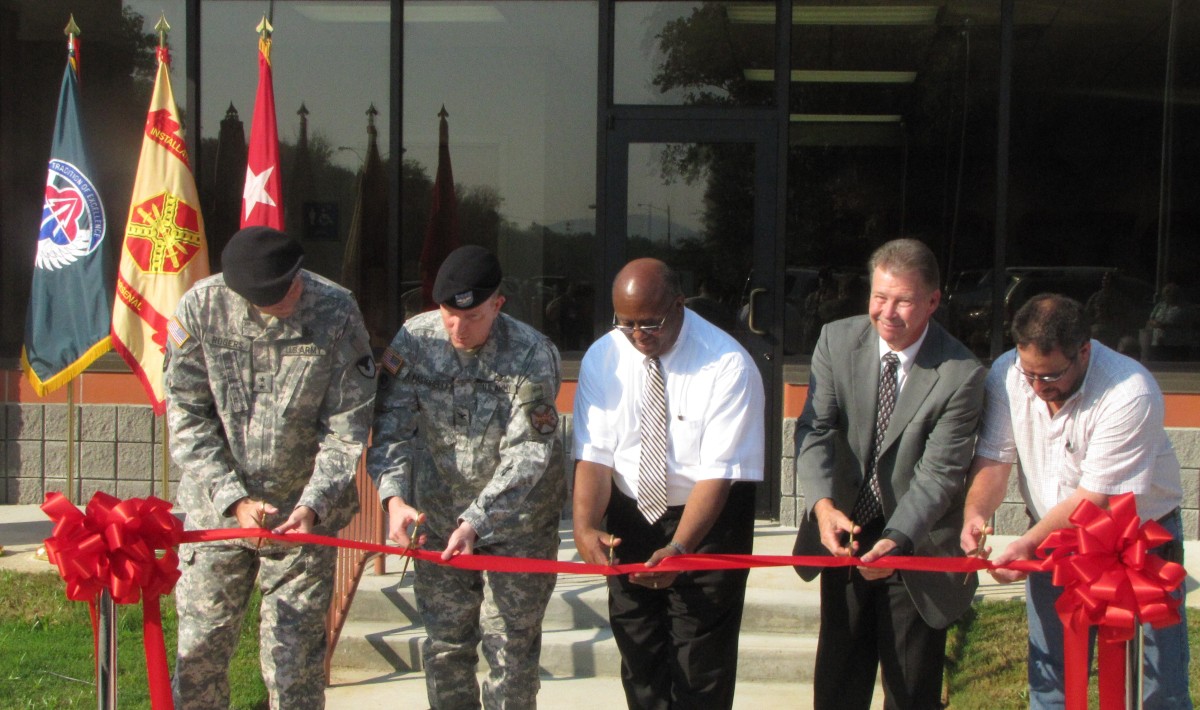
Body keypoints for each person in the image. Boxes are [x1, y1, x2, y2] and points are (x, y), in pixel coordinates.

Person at [165, 226, 377, 709]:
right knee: (200, 656)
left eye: (295, 280)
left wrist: (313, 505)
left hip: (302, 522)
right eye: (279, 293)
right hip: (217, 517)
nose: (294, 292)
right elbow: (187, 415)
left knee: (294, 667)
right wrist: (233, 499)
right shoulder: (200, 308)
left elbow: (347, 424)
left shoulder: (336, 309)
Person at [961, 293, 1190, 709]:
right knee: (1051, 677)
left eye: (1049, 375)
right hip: (1053, 540)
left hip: (1139, 546)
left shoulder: (1130, 390)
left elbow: (1095, 498)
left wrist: (1028, 542)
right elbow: (994, 457)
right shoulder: (1007, 373)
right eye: (1029, 373)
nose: (1036, 387)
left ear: (1083, 351)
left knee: (1157, 688)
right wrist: (975, 514)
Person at [367, 245, 565, 709]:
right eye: (448, 315)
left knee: (510, 650)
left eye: (472, 316)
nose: (457, 329)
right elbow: (391, 429)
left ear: (498, 304)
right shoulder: (413, 341)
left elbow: (529, 451)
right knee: (445, 645)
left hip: (517, 525)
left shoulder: (532, 352)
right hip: (438, 520)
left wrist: (477, 520)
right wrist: (394, 499)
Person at [792, 238, 986, 710]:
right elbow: (815, 429)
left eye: (903, 301)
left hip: (917, 540)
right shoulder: (836, 340)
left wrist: (898, 540)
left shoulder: (961, 372)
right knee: (838, 686)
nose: (887, 312)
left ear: (933, 301)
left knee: (910, 692)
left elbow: (940, 473)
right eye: (879, 297)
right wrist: (823, 509)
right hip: (846, 530)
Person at [572, 258, 765, 709]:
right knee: (640, 657)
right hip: (632, 511)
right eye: (627, 324)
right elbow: (594, 457)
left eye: (650, 323)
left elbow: (717, 476)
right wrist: (584, 526)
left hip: (709, 519)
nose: (638, 335)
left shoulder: (728, 364)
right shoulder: (603, 357)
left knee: (700, 666)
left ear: (679, 305)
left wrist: (680, 548)